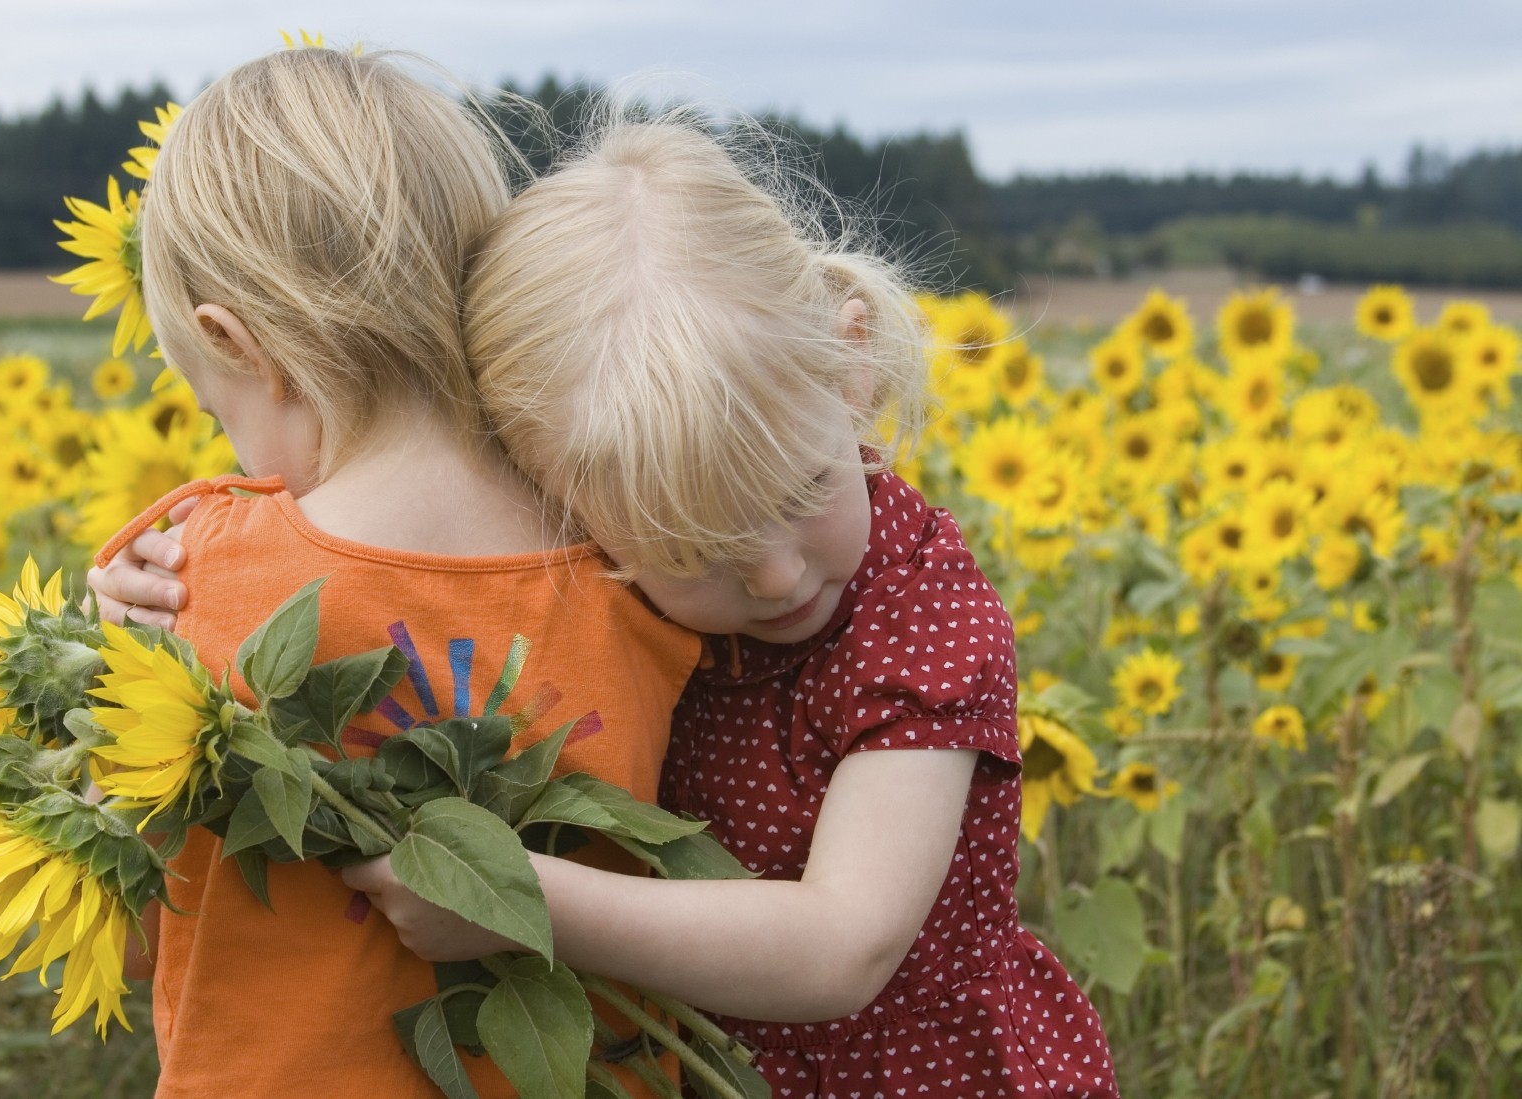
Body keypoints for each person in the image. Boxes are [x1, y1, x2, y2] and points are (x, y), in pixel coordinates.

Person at [99, 115, 1120, 1098]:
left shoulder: (917, 613)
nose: (769, 575)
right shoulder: (588, 557)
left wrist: (513, 901)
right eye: (693, 549)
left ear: (849, 370)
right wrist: (166, 601)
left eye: (804, 489)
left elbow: (844, 945)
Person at [88, 49, 698, 1099]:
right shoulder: (642, 556)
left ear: (234, 341)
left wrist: (116, 673)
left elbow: (133, 924)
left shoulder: (190, 571)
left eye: (212, 412)